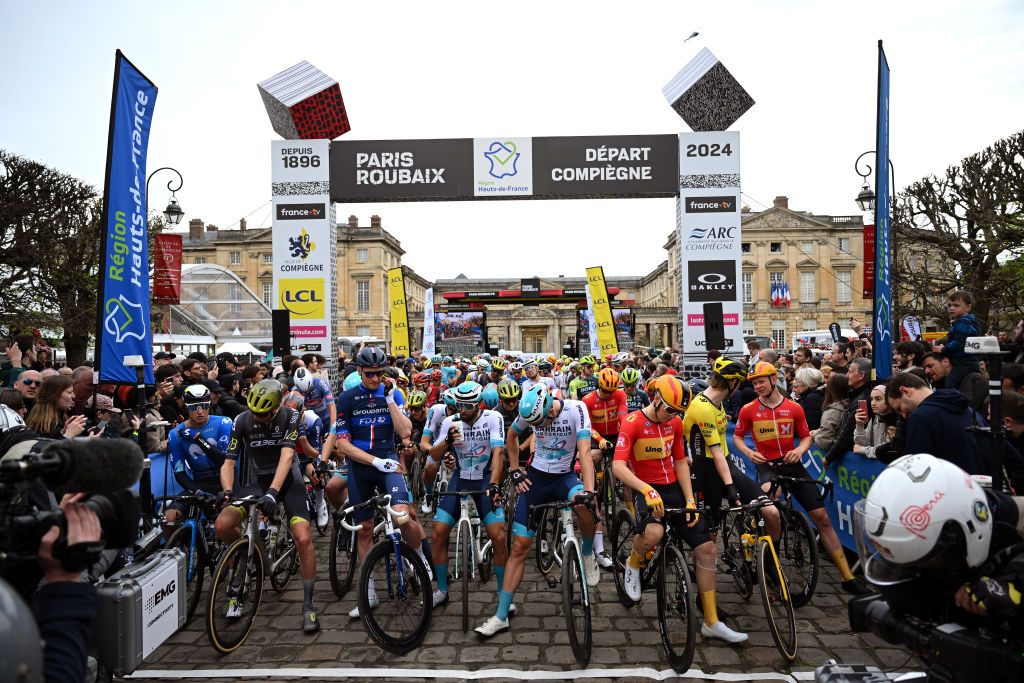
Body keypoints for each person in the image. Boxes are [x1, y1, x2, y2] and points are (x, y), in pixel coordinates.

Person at [613, 375, 748, 642]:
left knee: (707, 549)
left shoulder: (674, 422)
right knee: (653, 535)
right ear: (656, 399)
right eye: (670, 409)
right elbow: (617, 466)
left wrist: (689, 500)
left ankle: (711, 621)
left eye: (679, 412)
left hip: (674, 487)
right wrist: (646, 489)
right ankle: (633, 563)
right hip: (646, 486)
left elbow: (680, 462)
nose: (674, 416)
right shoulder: (633, 423)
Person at [732, 362, 865, 595]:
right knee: (769, 510)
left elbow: (805, 438)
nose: (757, 386)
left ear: (774, 379)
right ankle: (766, 559)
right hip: (767, 467)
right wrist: (749, 452)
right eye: (754, 383)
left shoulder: (794, 408)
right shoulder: (748, 409)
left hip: (793, 466)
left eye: (761, 381)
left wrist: (800, 451)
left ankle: (847, 576)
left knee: (822, 518)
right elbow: (738, 437)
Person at [475, 384, 597, 638]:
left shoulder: (576, 409)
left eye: (541, 422)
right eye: (535, 426)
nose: (538, 428)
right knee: (519, 547)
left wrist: (589, 490)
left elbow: (584, 452)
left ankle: (587, 551)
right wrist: (515, 469)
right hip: (536, 480)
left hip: (565, 477)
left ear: (549, 408)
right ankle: (500, 615)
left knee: (586, 506)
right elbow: (511, 436)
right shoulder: (528, 411)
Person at [855, 454, 1024, 636]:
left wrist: (1012, 588)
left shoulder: (1015, 527)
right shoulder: (921, 554)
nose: (918, 569)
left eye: (927, 560)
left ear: (958, 539)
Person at [214, 379, 321, 633]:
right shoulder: (242, 421)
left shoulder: (291, 417)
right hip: (256, 481)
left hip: (288, 481)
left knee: (303, 538)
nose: (259, 417)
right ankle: (243, 555)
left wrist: (274, 493)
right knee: (222, 525)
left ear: (276, 408)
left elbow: (287, 456)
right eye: (255, 413)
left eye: (264, 413)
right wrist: (228, 491)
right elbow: (228, 463)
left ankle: (308, 605)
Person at [332, 347, 430, 619]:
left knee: (403, 517)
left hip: (388, 459)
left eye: (380, 374)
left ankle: (421, 562)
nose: (376, 379)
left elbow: (406, 431)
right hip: (363, 467)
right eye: (371, 374)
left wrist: (388, 399)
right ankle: (369, 592)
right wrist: (374, 462)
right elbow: (342, 444)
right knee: (364, 530)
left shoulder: (392, 393)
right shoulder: (348, 398)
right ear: (360, 371)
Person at [684, 356, 781, 573]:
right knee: (709, 538)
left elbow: (723, 455)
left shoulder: (717, 403)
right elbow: (716, 454)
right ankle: (703, 591)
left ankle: (771, 569)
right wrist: (730, 488)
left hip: (726, 466)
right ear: (733, 383)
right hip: (707, 471)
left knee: (771, 512)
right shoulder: (702, 407)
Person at [424, 381, 508, 608]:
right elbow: (434, 453)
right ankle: (441, 589)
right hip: (460, 478)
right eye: (461, 404)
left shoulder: (493, 418)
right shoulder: (451, 421)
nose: (465, 410)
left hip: (485, 479)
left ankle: (503, 594)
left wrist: (495, 484)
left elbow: (499, 453)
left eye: (469, 405)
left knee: (499, 537)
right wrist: (448, 441)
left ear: (479, 403)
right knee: (438, 532)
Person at [884, 371, 986, 475]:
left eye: (899, 408)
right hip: (979, 486)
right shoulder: (969, 410)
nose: (903, 415)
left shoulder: (921, 417)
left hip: (949, 487)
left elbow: (917, 471)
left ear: (905, 391)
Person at [166, 384, 233, 529]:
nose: (200, 411)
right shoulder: (175, 434)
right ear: (186, 407)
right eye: (194, 407)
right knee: (170, 517)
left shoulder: (224, 422)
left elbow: (223, 460)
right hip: (199, 483)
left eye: (204, 405)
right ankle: (175, 550)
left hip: (225, 480)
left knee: (227, 522)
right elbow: (179, 472)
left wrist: (198, 438)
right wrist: (197, 492)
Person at [581, 367, 628, 567]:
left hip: (615, 434)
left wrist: (623, 439)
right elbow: (588, 427)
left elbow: (624, 419)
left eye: (612, 391)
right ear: (600, 386)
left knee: (628, 467)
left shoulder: (620, 394)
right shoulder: (588, 400)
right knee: (593, 456)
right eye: (606, 392)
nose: (609, 395)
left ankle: (631, 509)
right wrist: (600, 440)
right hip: (596, 436)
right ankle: (594, 481)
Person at [822, 358, 873, 468]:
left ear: (861, 376)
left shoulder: (863, 400)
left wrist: (829, 456)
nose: (846, 375)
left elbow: (848, 433)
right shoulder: (855, 395)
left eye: (850, 371)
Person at [921, 351, 987, 413]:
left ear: (945, 362)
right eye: (924, 368)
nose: (926, 371)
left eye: (930, 366)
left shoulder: (975, 380)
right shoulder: (937, 387)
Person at [25, 375, 86, 439]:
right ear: (55, 395)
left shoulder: (60, 417)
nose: (73, 396)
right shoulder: (42, 425)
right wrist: (68, 435)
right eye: (69, 392)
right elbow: (51, 447)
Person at [853, 385, 896, 459]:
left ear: (889, 400)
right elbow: (861, 444)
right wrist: (859, 426)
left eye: (878, 399)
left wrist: (864, 450)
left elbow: (887, 451)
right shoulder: (875, 418)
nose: (873, 403)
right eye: (871, 399)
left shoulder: (894, 421)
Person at [813, 372, 850, 453]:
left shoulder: (832, 412)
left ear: (830, 389)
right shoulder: (850, 405)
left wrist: (814, 435)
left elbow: (824, 442)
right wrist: (819, 431)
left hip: (835, 457)